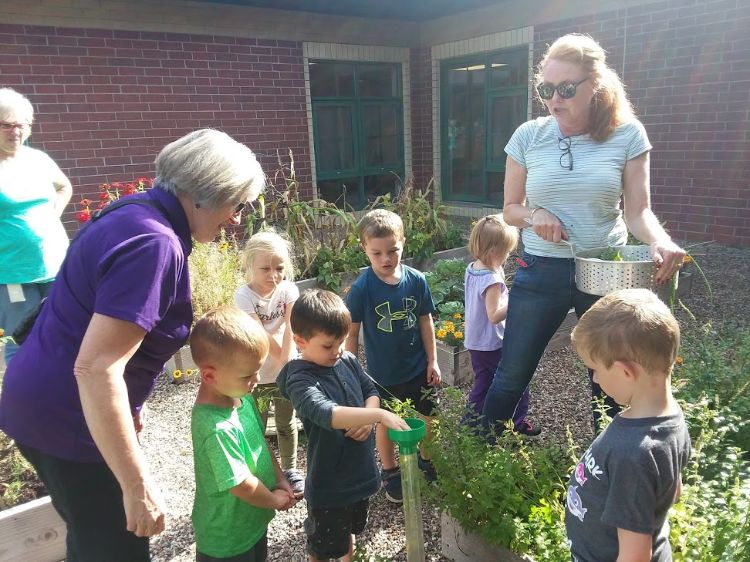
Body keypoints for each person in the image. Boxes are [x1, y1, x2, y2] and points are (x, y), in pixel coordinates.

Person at [0, 128, 265, 561]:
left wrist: (133, 408)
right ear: (203, 194)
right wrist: (135, 484)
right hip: (69, 419)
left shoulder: (135, 211)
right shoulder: (154, 244)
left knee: (90, 537)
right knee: (114, 548)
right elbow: (96, 367)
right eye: (236, 203)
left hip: (41, 401)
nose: (236, 217)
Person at [482, 33, 686, 433]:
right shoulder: (528, 136)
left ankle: (608, 467)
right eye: (546, 89)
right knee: (512, 373)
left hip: (605, 272)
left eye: (566, 88)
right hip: (540, 270)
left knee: (608, 379)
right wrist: (535, 213)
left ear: (596, 85)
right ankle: (474, 464)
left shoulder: (627, 136)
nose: (554, 98)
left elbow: (638, 211)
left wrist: (659, 241)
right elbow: (510, 210)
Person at [277, 289, 409, 562]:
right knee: (323, 549)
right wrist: (378, 416)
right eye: (328, 345)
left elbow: (370, 391)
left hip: (360, 476)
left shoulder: (346, 360)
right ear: (300, 341)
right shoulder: (299, 380)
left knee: (349, 533)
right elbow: (327, 412)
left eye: (342, 341)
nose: (337, 351)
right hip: (329, 487)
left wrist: (369, 412)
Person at [565, 289, 691, 561]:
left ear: (625, 371)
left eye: (595, 369)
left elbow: (634, 557)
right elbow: (674, 491)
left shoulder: (632, 452)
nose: (595, 380)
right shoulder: (671, 419)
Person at [344, 208, 441, 504]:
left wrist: (433, 359)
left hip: (417, 369)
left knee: (429, 418)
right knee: (385, 423)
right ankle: (390, 471)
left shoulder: (416, 280)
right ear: (365, 249)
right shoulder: (362, 289)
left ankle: (427, 460)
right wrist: (351, 371)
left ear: (403, 243)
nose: (386, 259)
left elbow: (426, 320)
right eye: (377, 253)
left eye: (392, 251)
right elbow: (352, 332)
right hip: (382, 375)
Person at [190, 307, 296, 562]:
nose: (257, 380)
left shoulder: (241, 398)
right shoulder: (216, 429)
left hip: (251, 523)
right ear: (209, 375)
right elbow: (240, 485)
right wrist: (274, 500)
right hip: (226, 540)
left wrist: (280, 480)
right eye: (248, 375)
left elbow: (260, 443)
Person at [0, 87, 72, 364]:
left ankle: (62, 392)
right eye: (6, 125)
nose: (15, 131)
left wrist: (50, 217)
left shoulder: (38, 160)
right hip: (14, 273)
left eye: (21, 125)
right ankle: (25, 401)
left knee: (65, 330)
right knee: (21, 339)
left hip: (56, 265)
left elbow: (63, 186)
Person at [234, 231, 303, 497]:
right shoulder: (244, 296)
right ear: (250, 265)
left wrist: (288, 362)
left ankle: (290, 469)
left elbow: (290, 325)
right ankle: (260, 471)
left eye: (279, 268)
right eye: (265, 268)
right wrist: (282, 360)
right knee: (257, 426)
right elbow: (259, 332)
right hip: (259, 375)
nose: (273, 275)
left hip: (285, 370)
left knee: (287, 423)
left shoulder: (288, 290)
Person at [463, 214, 539, 436]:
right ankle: (513, 425)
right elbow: (494, 315)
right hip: (491, 342)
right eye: (506, 251)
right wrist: (517, 298)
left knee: (483, 383)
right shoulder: (492, 280)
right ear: (493, 251)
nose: (508, 256)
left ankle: (473, 424)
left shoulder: (473, 268)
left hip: (476, 340)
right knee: (514, 381)